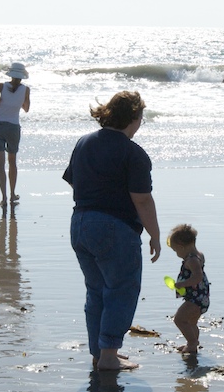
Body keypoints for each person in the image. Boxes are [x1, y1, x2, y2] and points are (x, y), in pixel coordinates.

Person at [63, 91, 161, 371]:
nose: (141, 122)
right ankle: (108, 355)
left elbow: (74, 180)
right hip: (114, 227)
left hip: (80, 223)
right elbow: (142, 198)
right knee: (122, 289)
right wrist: (154, 234)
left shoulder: (84, 143)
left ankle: (99, 353)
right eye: (141, 117)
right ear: (133, 118)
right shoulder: (133, 153)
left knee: (96, 291)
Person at [0, 62, 30, 207]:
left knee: (0, 163)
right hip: (13, 128)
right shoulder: (26, 90)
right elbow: (26, 108)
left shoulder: (1, 87)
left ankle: (4, 198)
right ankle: (13, 194)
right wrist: (17, 102)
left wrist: (0, 101)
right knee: (12, 162)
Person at [167, 223, 210, 355]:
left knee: (179, 319)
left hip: (195, 299)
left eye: (176, 251)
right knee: (191, 322)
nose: (177, 254)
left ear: (182, 247)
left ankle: (192, 343)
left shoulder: (191, 260)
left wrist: (182, 284)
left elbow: (197, 277)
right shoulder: (199, 255)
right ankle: (192, 343)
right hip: (201, 298)